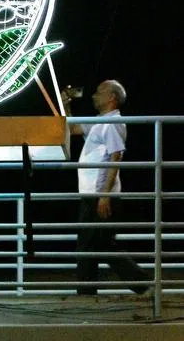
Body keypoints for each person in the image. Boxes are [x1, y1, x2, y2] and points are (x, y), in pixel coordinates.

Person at [61, 79, 150, 295]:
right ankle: (93, 291)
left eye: (100, 92)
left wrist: (104, 195)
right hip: (94, 193)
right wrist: (66, 105)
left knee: (95, 244)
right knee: (94, 243)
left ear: (112, 97)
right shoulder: (101, 121)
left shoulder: (112, 122)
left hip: (99, 194)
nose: (93, 95)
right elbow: (72, 129)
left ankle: (140, 284)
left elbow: (115, 155)